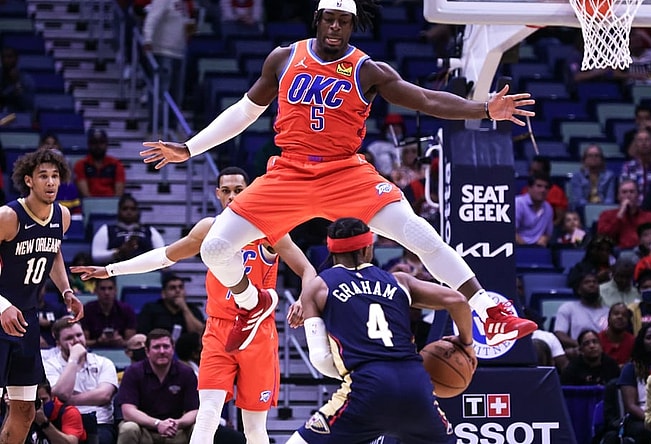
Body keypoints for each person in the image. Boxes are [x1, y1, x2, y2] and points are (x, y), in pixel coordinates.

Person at [140, 0, 537, 352]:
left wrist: (484, 109)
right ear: (317, 20)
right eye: (329, 20)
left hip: (345, 171)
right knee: (213, 250)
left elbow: (428, 99)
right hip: (290, 171)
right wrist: (189, 148)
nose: (335, 28)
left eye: (343, 21)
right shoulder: (283, 58)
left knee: (419, 234)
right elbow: (244, 112)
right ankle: (252, 303)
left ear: (352, 24)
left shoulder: (368, 70)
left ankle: (487, 307)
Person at [71, 166, 317, 444]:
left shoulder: (269, 228)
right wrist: (111, 270)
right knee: (208, 414)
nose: (232, 196)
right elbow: (165, 256)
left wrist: (303, 300)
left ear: (250, 191)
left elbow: (308, 270)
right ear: (217, 194)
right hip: (218, 330)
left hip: (258, 331)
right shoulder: (209, 228)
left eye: (239, 190)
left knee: (254, 428)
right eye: (226, 191)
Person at [285, 217, 476, 443]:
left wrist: (363, 368)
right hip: (415, 383)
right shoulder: (400, 281)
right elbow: (458, 300)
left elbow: (320, 360)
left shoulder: (318, 287)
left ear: (331, 249)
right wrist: (467, 344)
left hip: (367, 385)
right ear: (368, 247)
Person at [0, 149, 84, 444]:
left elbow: (54, 250)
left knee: (24, 412)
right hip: (1, 316)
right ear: (29, 181)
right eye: (43, 176)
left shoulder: (62, 216)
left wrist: (66, 290)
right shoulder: (8, 216)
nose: (51, 182)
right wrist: (2, 305)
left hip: (26, 321)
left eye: (55, 176)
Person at [116, 329, 198, 444]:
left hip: (175, 430)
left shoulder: (186, 373)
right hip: (144, 429)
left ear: (173, 349)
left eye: (166, 346)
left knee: (198, 428)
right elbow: (128, 411)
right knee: (128, 428)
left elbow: (194, 411)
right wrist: (157, 423)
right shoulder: (133, 372)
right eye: (156, 347)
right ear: (147, 351)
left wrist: (178, 423)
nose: (162, 351)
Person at [44, 317, 118, 444]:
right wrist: (73, 358)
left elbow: (104, 396)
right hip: (64, 421)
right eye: (69, 338)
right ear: (58, 343)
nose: (76, 341)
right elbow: (61, 394)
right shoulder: (50, 365)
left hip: (100, 422)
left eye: (79, 335)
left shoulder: (104, 363)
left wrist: (69, 400)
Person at [618, 324, 651, 444]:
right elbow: (631, 406)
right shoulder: (630, 368)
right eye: (649, 337)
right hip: (640, 419)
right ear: (642, 342)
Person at [143, 0, 193, 108]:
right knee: (162, 91)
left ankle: (172, 123)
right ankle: (158, 123)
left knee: (177, 95)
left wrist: (191, 35)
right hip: (163, 52)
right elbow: (152, 17)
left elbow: (188, 23)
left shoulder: (186, 4)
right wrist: (148, 39)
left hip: (180, 53)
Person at [91, 194, 166, 265]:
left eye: (133, 209)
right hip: (114, 272)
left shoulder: (149, 230)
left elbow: (162, 255)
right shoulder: (107, 229)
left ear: (138, 211)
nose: (129, 212)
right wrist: (118, 252)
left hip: (146, 270)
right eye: (125, 208)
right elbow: (96, 256)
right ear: (118, 211)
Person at [597, 179, 651, 250]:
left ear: (638, 196)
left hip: (646, 254)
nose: (628, 195)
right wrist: (620, 215)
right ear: (618, 196)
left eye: (632, 192)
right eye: (624, 192)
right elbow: (602, 237)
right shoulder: (607, 215)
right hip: (618, 254)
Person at [554, 271, 610, 352]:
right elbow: (559, 334)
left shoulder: (608, 311)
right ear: (579, 290)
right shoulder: (568, 308)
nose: (592, 284)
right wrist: (582, 344)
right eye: (587, 282)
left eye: (595, 282)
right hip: (578, 351)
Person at [136, 272, 205, 335]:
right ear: (163, 293)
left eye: (181, 287)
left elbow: (199, 334)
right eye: (172, 288)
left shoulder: (193, 309)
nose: (177, 290)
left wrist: (185, 309)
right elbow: (143, 334)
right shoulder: (151, 309)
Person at [81, 277, 137, 348]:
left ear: (116, 290)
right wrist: (98, 341)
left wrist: (121, 342)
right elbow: (83, 342)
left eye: (110, 288)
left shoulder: (127, 310)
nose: (106, 292)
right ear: (96, 290)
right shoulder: (87, 310)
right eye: (102, 289)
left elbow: (132, 342)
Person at [620, 129, 651, 201]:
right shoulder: (628, 167)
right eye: (640, 140)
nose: (644, 143)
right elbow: (623, 193)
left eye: (647, 140)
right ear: (636, 145)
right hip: (635, 209)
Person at [73, 129, 126, 198]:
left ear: (107, 145)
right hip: (88, 206)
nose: (98, 146)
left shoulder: (116, 164)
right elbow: (85, 194)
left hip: (112, 205)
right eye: (94, 142)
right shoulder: (80, 165)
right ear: (89, 145)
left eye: (101, 142)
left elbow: (119, 194)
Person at [568, 144, 616, 213]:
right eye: (590, 156)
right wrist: (591, 209)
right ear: (585, 159)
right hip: (583, 211)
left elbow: (610, 199)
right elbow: (578, 200)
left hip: (604, 210)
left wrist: (602, 209)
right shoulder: (577, 176)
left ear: (601, 159)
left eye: (597, 155)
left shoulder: (609, 176)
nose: (594, 158)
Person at [521, 156, 569, 224]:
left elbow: (559, 219)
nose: (531, 174)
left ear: (545, 173)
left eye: (535, 171)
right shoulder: (525, 190)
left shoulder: (556, 191)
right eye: (530, 170)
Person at [514, 171, 553, 246]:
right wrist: (526, 248)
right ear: (529, 188)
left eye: (546, 187)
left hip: (539, 248)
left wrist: (544, 239)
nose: (543, 190)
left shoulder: (548, 208)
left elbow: (547, 234)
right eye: (539, 186)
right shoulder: (518, 203)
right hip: (517, 248)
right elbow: (510, 232)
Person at [0, 46, 35, 112]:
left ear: (17, 59)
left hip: (18, 117)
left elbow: (28, 105)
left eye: (9, 57)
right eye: (3, 57)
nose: (6, 60)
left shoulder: (26, 79)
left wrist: (17, 83)